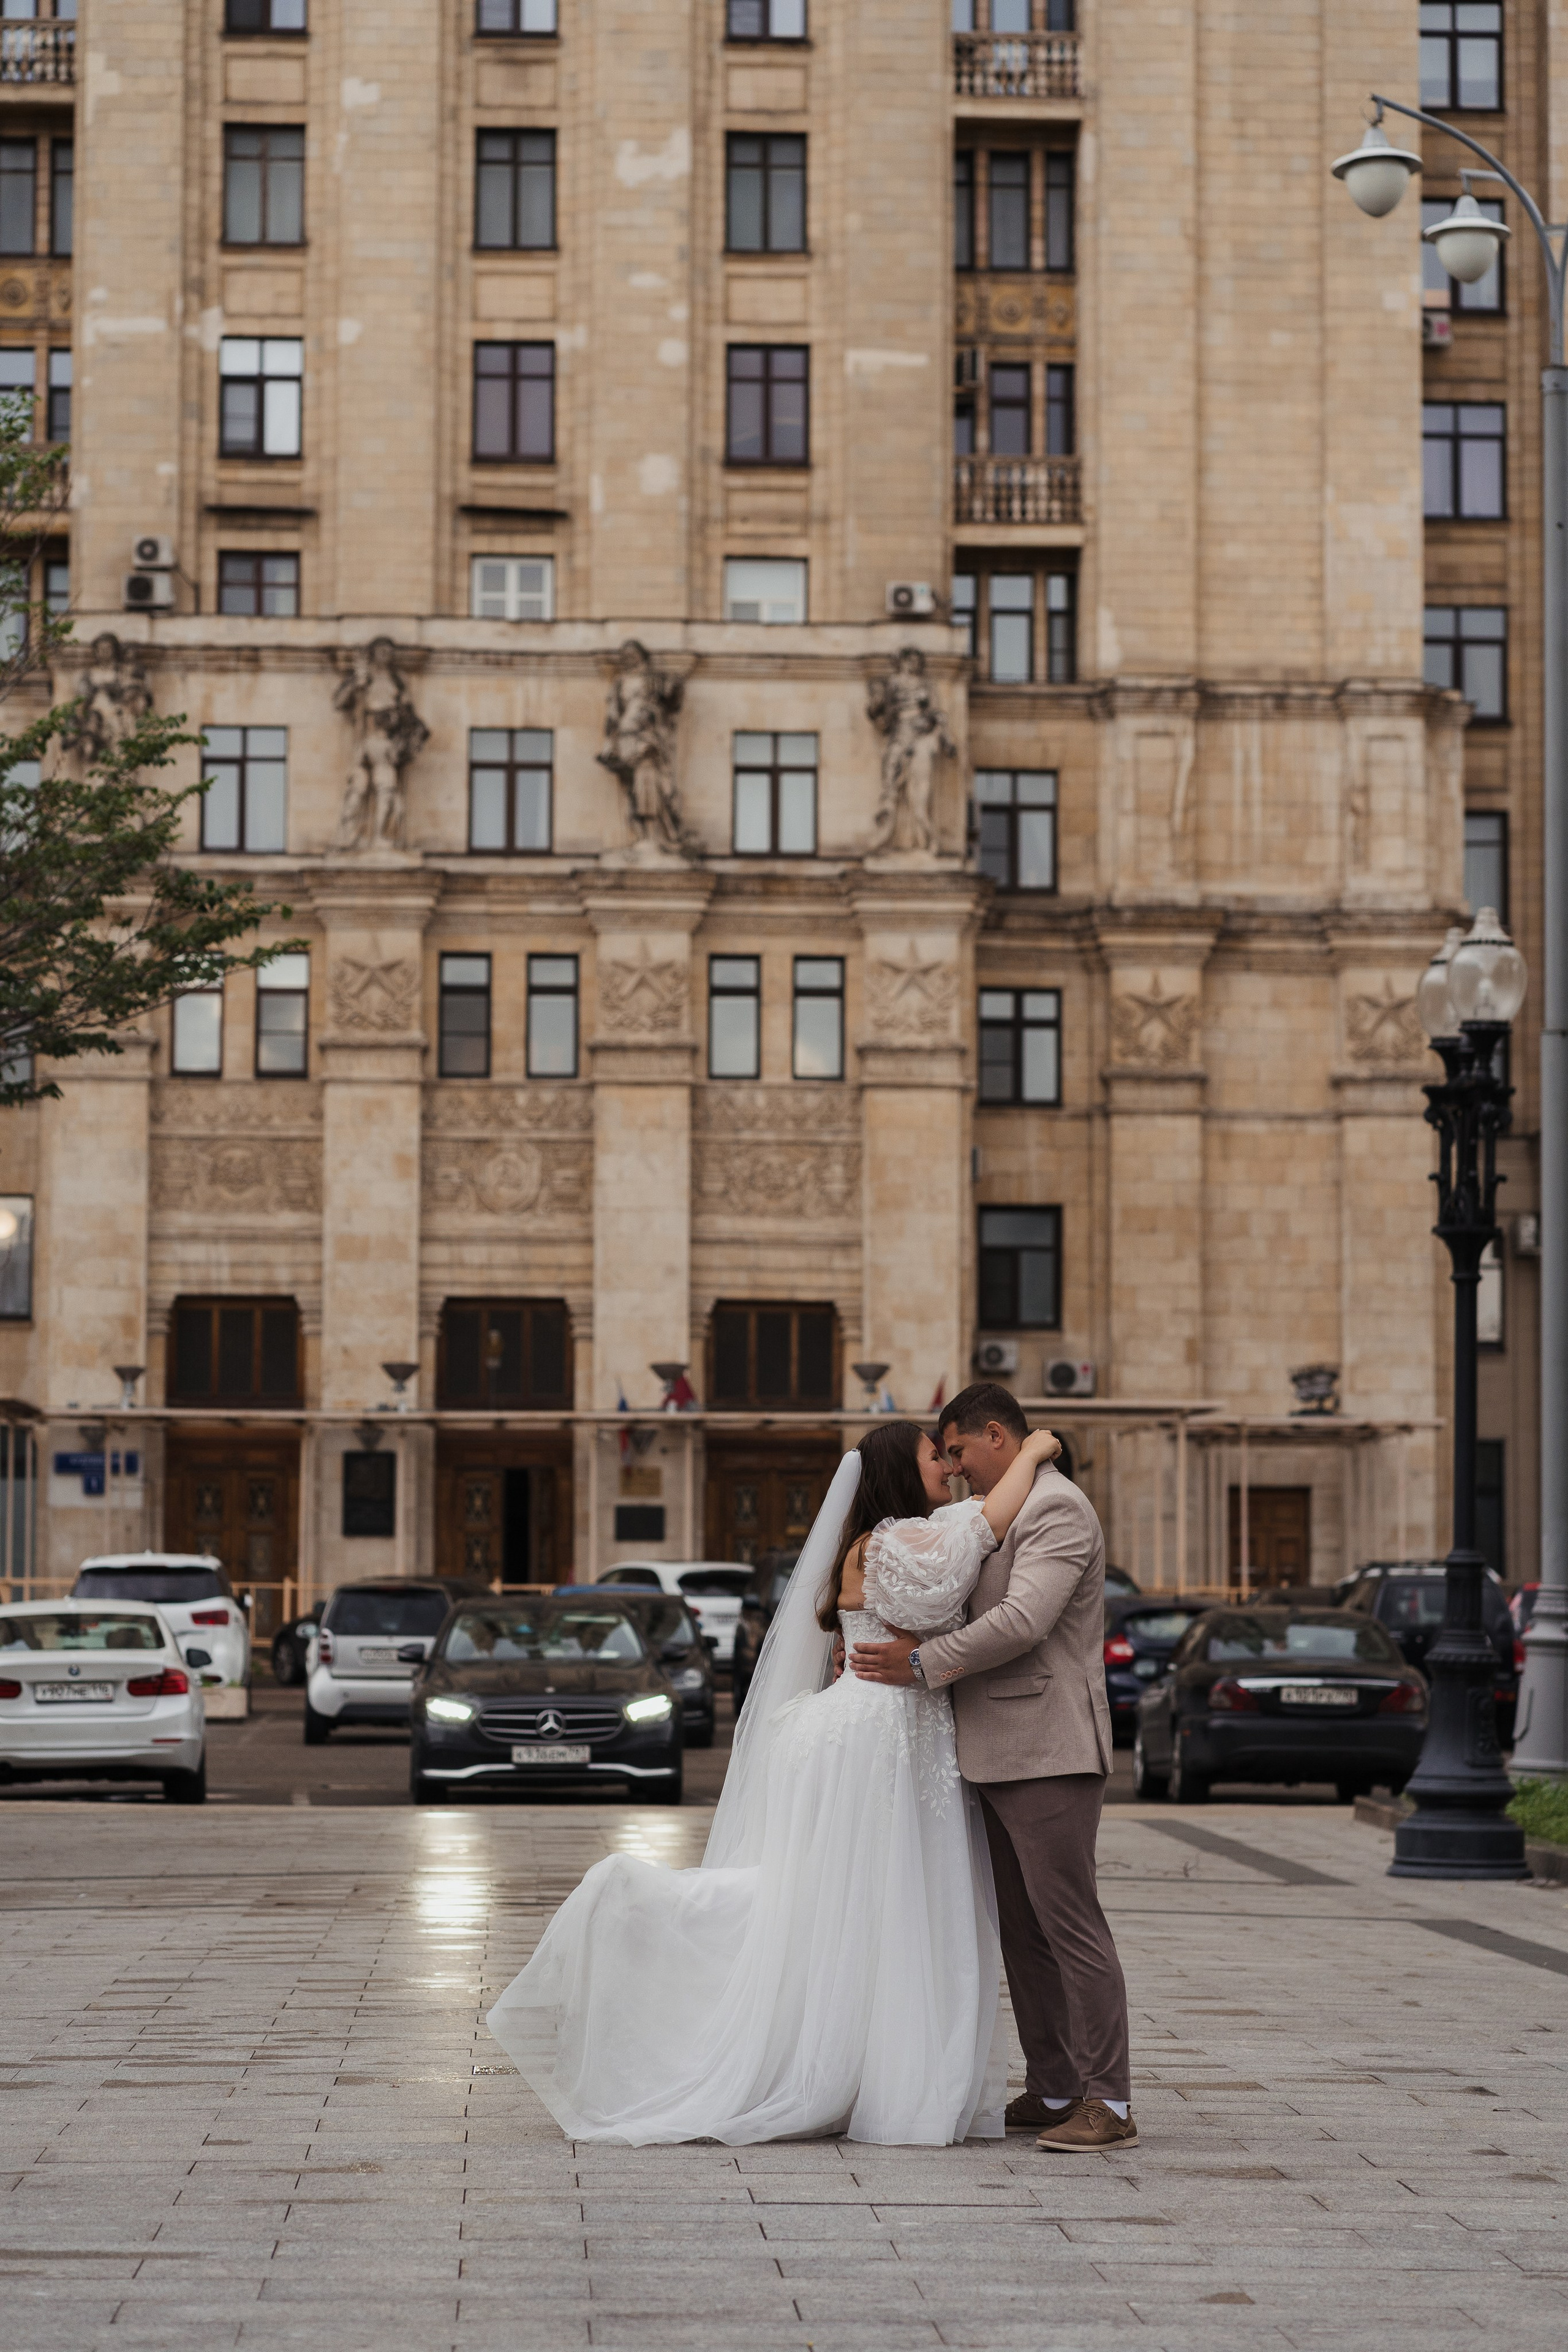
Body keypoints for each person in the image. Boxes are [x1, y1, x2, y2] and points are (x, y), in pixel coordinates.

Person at [486, 1418, 1060, 2147]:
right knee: (864, 1900)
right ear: (895, 1469)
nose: (946, 1467)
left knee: (879, 1903)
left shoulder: (904, 1536)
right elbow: (982, 1530)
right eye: (931, 1455)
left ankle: (873, 2068)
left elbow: (969, 1528)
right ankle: (638, 1907)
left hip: (895, 1730)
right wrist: (1035, 1449)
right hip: (876, 1735)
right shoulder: (886, 1543)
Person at [851, 1382, 1134, 2152]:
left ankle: (1109, 2100)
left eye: (958, 1450)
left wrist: (920, 1665)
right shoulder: (990, 1510)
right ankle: (1054, 2087)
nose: (953, 1467)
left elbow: (1021, 1620)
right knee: (1024, 1931)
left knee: (1070, 1925)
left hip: (1048, 1745)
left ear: (995, 1437)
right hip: (989, 1746)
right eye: (942, 1456)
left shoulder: (1056, 1508)